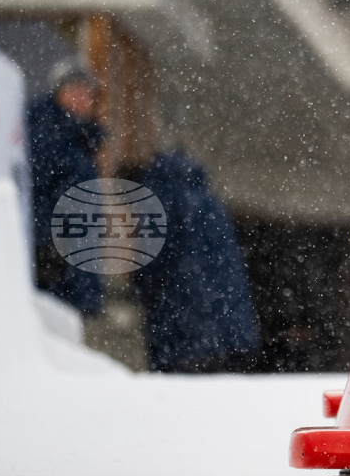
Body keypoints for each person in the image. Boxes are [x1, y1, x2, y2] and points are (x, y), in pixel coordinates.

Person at [119, 151, 262, 373]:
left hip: (188, 334)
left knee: (184, 403)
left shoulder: (158, 201)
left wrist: (135, 285)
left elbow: (152, 263)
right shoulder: (204, 196)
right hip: (231, 331)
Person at [26, 57, 105, 315]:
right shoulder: (46, 134)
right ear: (58, 92)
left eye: (87, 92)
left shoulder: (81, 141)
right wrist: (45, 247)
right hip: (54, 270)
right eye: (74, 89)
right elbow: (32, 194)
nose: (81, 98)